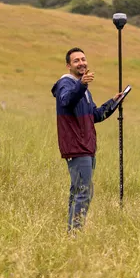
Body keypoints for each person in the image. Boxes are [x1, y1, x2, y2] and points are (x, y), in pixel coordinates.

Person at [51, 47, 123, 231]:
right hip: (77, 147)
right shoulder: (65, 84)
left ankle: (71, 232)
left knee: (78, 192)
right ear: (68, 65)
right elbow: (66, 100)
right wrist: (81, 84)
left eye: (83, 59)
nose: (81, 63)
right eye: (76, 60)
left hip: (87, 147)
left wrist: (113, 102)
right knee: (83, 193)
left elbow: (95, 116)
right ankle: (75, 234)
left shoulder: (83, 89)